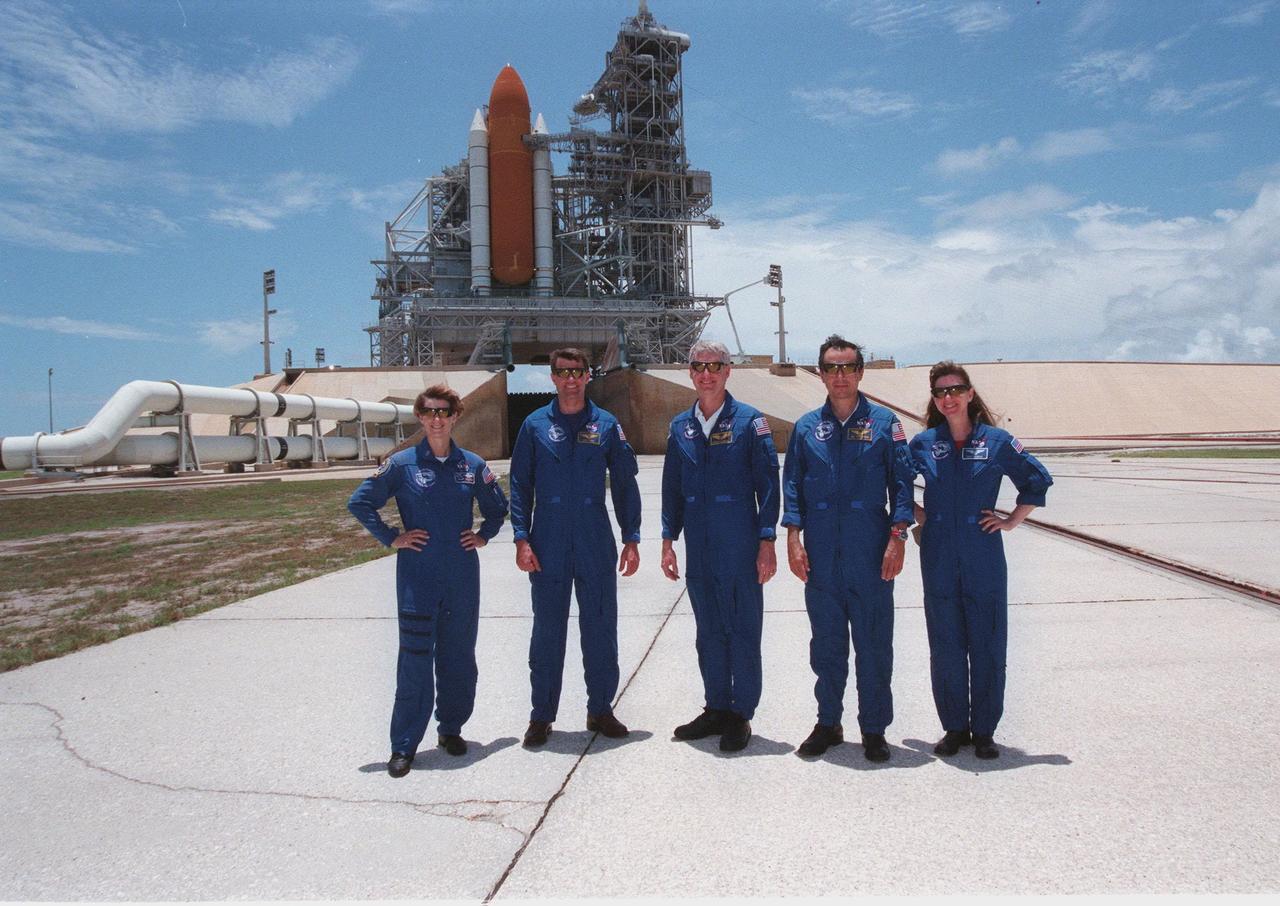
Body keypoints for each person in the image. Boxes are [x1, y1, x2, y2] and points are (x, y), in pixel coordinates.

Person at [348, 385, 509, 778]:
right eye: (430, 412)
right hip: (418, 577)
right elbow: (360, 501)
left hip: (461, 576)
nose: (437, 419)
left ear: (456, 417)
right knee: (415, 662)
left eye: (445, 413)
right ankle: (404, 746)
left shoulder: (471, 465)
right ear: (419, 417)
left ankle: (451, 730)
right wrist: (392, 537)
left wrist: (483, 535)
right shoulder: (401, 465)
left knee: (458, 659)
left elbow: (497, 508)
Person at [909, 361, 1052, 760]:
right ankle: (955, 727)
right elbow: (893, 479)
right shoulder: (923, 444)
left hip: (982, 551)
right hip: (937, 551)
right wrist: (919, 513)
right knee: (946, 641)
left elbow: (1037, 479)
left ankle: (985, 730)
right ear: (934, 400)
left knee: (987, 640)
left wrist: (1011, 521)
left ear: (970, 394)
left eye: (956, 390)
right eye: (941, 392)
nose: (949, 398)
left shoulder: (998, 441)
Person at [782, 335, 915, 762]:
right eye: (831, 367)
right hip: (821, 553)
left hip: (870, 550)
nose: (839, 375)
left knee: (875, 644)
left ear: (860, 372)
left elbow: (902, 485)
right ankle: (828, 723)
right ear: (820, 373)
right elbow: (793, 487)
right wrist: (793, 538)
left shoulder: (884, 423)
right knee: (827, 644)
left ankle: (874, 729)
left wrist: (897, 539)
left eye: (847, 367)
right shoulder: (805, 428)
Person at [509, 348, 642, 748]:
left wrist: (631, 536)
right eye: (563, 372)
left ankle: (600, 709)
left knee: (600, 626)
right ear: (552, 377)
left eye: (577, 372)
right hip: (547, 538)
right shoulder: (534, 425)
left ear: (588, 376)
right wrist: (520, 537)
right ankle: (541, 716)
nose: (570, 379)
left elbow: (624, 483)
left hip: (593, 536)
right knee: (547, 630)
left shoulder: (606, 424)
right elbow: (519, 486)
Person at [661, 341, 780, 752]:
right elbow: (672, 488)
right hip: (699, 546)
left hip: (740, 543)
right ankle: (715, 707)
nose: (706, 374)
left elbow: (769, 486)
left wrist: (767, 540)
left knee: (743, 629)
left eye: (715, 366)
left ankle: (740, 714)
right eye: (699, 366)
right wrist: (667, 540)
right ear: (690, 373)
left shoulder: (750, 422)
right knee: (709, 631)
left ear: (728, 371)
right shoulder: (681, 426)